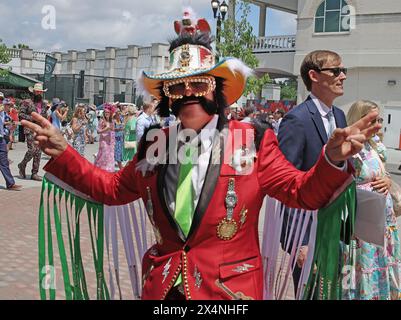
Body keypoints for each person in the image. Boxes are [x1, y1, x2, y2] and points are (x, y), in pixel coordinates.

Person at [22, 12, 380, 300]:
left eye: (199, 83)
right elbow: (113, 189)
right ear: (167, 96)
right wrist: (65, 151)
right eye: (177, 86)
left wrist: (331, 159)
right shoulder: (154, 144)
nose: (188, 93)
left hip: (229, 292)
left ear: (218, 90)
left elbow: (302, 192)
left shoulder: (252, 139)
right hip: (164, 290)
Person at [277, 50, 348, 296]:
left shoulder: (339, 116)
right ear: (314, 76)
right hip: (309, 233)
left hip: (337, 230)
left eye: (344, 71)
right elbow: (286, 184)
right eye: (336, 71)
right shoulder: (296, 120)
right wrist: (299, 242)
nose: (343, 76)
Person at [342, 100, 401, 300]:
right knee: (362, 273)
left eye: (380, 120)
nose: (378, 125)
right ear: (359, 121)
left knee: (382, 268)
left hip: (383, 224)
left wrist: (386, 179)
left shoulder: (376, 146)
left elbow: (382, 173)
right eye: (373, 120)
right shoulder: (348, 148)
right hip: (362, 226)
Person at [18, 83, 49, 181]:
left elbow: (44, 116)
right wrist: (32, 118)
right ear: (34, 91)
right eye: (37, 91)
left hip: (40, 129)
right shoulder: (27, 102)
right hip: (30, 128)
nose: (39, 93)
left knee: (38, 152)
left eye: (41, 91)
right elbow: (21, 115)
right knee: (32, 150)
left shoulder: (44, 103)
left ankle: (34, 173)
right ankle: (22, 165)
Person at [0, 102, 22, 191]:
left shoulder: (3, 113)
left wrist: (10, 126)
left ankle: (10, 183)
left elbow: (4, 124)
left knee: (4, 161)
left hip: (1, 139)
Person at [94, 103, 115, 172]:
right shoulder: (102, 121)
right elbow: (98, 131)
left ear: (110, 113)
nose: (106, 113)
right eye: (105, 112)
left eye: (108, 112)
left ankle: (109, 170)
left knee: (110, 155)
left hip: (111, 141)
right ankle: (101, 169)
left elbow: (113, 130)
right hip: (104, 141)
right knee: (104, 155)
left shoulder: (112, 121)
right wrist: (106, 129)